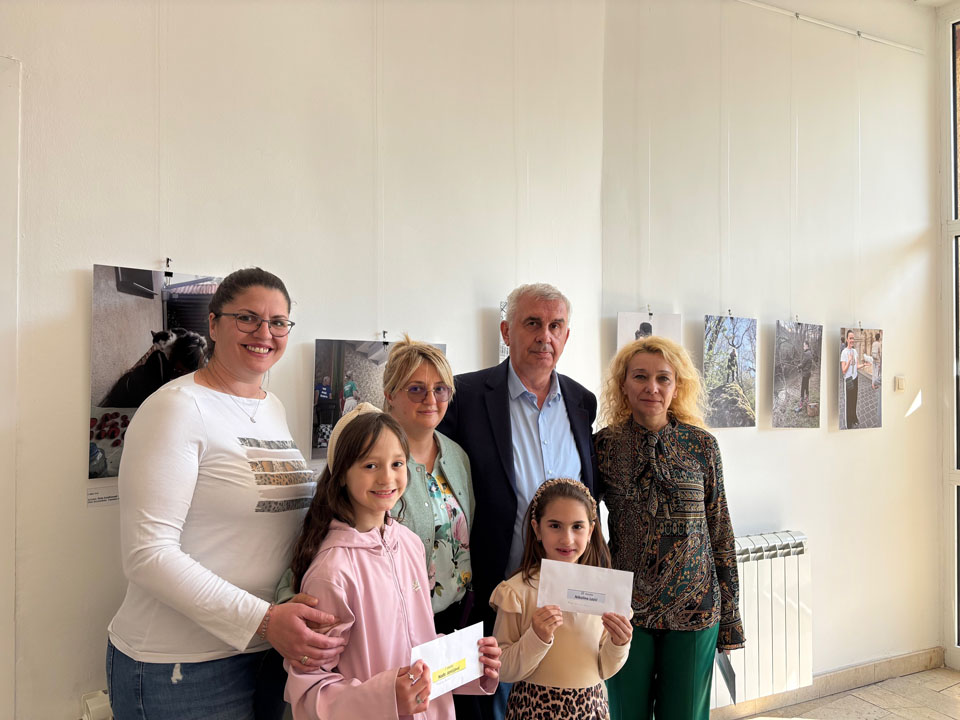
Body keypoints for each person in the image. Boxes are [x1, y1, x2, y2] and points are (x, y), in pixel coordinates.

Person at [106, 268, 345, 720]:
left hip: (267, 652)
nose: (265, 333)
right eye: (248, 318)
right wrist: (264, 620)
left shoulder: (271, 406)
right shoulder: (176, 408)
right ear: (214, 325)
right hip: (182, 666)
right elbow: (147, 554)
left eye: (278, 322)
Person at [438, 282, 597, 720]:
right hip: (494, 594)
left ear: (566, 335)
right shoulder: (466, 396)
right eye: (532, 323)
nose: (545, 336)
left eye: (555, 326)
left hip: (564, 602)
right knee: (488, 708)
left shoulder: (582, 402)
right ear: (506, 331)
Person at [284, 406, 501, 719]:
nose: (387, 477)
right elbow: (309, 692)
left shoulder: (410, 544)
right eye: (370, 465)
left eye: (397, 463)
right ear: (342, 473)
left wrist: (471, 663)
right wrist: (388, 697)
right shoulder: (332, 572)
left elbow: (419, 645)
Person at [595, 337, 744, 720]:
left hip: (695, 612)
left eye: (663, 378)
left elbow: (720, 531)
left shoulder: (702, 446)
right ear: (623, 384)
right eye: (640, 376)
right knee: (624, 714)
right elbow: (584, 526)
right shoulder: (604, 447)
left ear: (677, 387)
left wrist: (731, 619)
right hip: (624, 612)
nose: (652, 387)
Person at [490, 478, 632, 720]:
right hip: (531, 710)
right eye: (555, 526)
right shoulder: (516, 592)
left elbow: (605, 668)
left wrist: (619, 644)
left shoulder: (606, 592)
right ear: (537, 528)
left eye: (577, 527)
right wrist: (536, 638)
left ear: (591, 531)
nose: (567, 539)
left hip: (590, 710)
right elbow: (502, 668)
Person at [382, 336, 474, 635]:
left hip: (455, 620)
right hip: (396, 625)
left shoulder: (456, 456)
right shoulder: (370, 458)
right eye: (416, 389)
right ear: (390, 394)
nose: (431, 400)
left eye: (440, 389)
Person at [841, 330, 866, 429]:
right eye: (850, 338)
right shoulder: (844, 352)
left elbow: (856, 367)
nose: (852, 340)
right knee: (849, 401)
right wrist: (849, 360)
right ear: (847, 339)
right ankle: (848, 423)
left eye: (853, 338)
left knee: (854, 400)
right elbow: (843, 370)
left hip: (855, 378)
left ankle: (854, 418)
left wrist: (863, 365)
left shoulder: (855, 351)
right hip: (848, 380)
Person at [796, 340, 814, 412]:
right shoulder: (810, 353)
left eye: (804, 346)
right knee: (806, 387)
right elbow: (807, 364)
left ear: (807, 345)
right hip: (808, 373)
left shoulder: (806, 354)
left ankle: (800, 406)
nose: (803, 347)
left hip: (805, 374)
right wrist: (801, 367)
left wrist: (798, 366)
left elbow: (803, 364)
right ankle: (807, 401)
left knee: (802, 389)